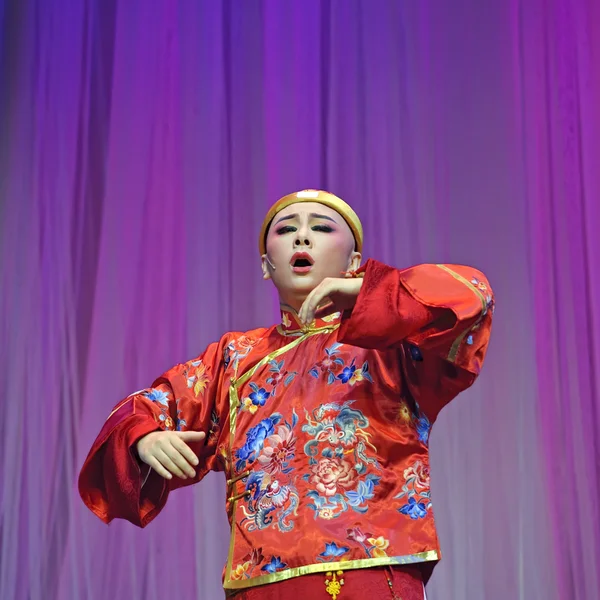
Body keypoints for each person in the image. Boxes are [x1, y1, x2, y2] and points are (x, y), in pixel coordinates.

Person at [79, 189, 494, 599]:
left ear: (353, 262)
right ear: (266, 265)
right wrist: (145, 434)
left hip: (370, 574)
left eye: (321, 227)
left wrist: (373, 292)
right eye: (286, 229)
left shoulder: (392, 345)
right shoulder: (234, 359)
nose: (302, 237)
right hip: (260, 583)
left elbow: (472, 296)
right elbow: (149, 404)